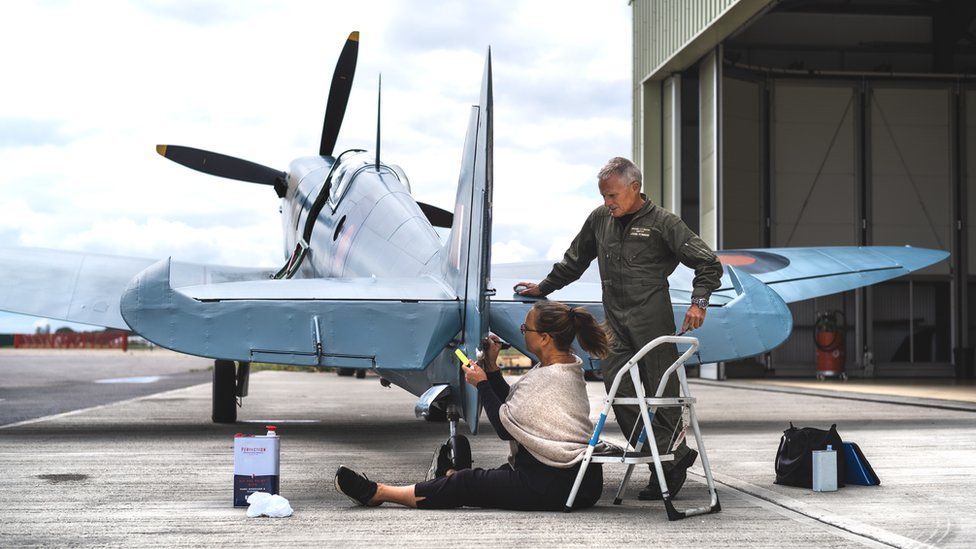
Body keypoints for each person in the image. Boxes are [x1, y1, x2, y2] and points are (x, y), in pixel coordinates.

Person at [515, 156, 723, 500]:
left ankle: (666, 468)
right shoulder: (600, 220)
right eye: (603, 197)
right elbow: (575, 259)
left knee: (662, 394)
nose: (607, 203)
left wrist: (699, 303)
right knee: (617, 386)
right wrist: (544, 288)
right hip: (615, 321)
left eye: (612, 196)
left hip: (651, 319)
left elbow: (708, 262)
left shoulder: (663, 224)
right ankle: (670, 456)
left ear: (634, 188)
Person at [334, 301, 609, 511]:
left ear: (545, 338)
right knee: (484, 478)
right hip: (577, 479)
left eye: (526, 329)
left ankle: (379, 493)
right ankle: (448, 478)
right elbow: (516, 406)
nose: (522, 332)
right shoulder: (565, 368)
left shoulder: (552, 377)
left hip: (555, 485)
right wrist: (490, 367)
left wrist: (481, 384)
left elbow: (505, 428)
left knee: (467, 484)